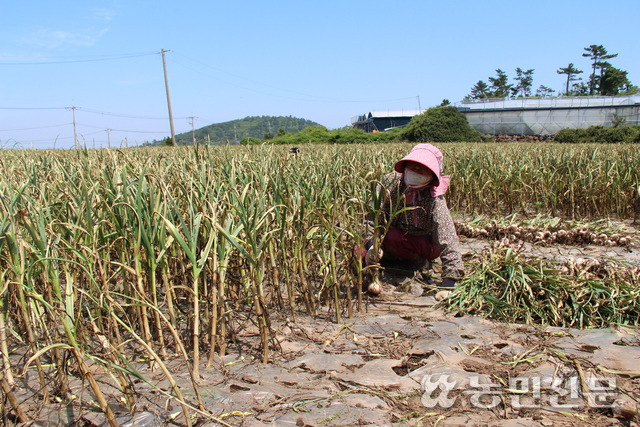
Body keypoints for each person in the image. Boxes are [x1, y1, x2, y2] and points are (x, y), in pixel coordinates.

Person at [361, 143, 464, 290]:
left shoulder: (435, 198)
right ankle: (382, 266)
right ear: (405, 166)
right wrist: (372, 246)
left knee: (394, 237)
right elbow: (372, 218)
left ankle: (419, 263)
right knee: (360, 252)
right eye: (413, 165)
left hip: (423, 244)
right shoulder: (390, 183)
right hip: (387, 239)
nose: (416, 170)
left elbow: (447, 237)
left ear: (433, 175)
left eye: (423, 168)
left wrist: (450, 280)